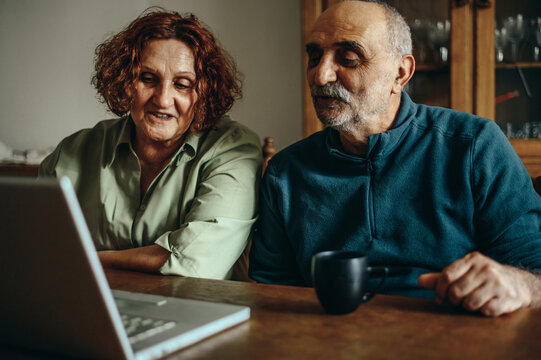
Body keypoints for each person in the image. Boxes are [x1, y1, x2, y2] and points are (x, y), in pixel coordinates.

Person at [249, 0, 541, 316]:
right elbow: (270, 293)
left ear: (400, 73)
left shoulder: (474, 145)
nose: (320, 76)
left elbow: (534, 272)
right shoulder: (286, 172)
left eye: (348, 58)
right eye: (314, 57)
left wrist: (518, 283)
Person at [39, 9, 261, 280]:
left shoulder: (233, 149)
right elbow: (36, 251)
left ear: (204, 93)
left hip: (193, 312)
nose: (163, 99)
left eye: (182, 84)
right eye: (148, 78)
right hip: (85, 310)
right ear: (125, 81)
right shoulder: (73, 152)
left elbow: (196, 263)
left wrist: (87, 259)